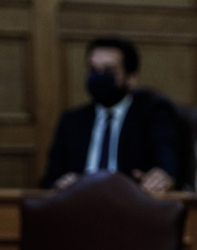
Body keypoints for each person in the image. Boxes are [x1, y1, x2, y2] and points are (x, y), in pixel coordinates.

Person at [40, 36, 180, 193]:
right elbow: (49, 181)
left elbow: (166, 166)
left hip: (130, 202)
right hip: (80, 202)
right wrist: (61, 183)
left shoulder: (153, 116)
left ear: (131, 77)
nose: (99, 77)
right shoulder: (72, 121)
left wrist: (160, 177)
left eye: (109, 71)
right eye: (94, 70)